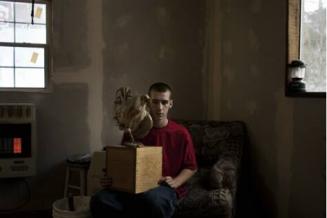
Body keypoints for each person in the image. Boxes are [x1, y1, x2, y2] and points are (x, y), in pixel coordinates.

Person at [90, 82, 197, 218]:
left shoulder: (181, 133)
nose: (159, 108)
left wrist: (175, 182)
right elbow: (123, 162)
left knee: (153, 200)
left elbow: (191, 167)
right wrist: (111, 179)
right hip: (131, 188)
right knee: (99, 200)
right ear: (148, 102)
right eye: (155, 102)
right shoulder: (134, 130)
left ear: (170, 104)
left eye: (164, 103)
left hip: (161, 187)